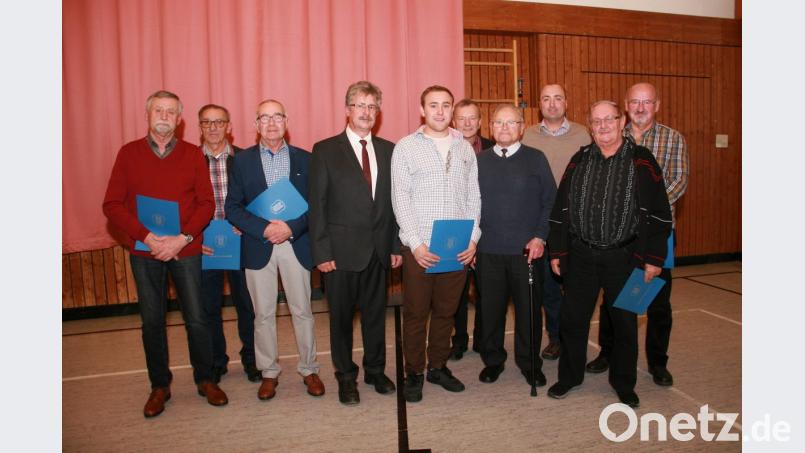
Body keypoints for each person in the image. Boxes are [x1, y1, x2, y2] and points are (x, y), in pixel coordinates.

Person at [103, 90, 228, 418]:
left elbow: (206, 203)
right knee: (152, 321)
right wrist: (147, 236)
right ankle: (159, 385)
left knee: (198, 318)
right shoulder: (128, 154)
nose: (164, 116)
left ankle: (205, 379)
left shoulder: (191, 155)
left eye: (171, 112)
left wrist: (182, 238)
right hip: (145, 252)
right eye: (159, 110)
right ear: (148, 114)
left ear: (179, 119)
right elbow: (112, 205)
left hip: (185, 249)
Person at [546, 100, 672, 408]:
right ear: (590, 126)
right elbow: (560, 210)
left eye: (609, 119)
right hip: (581, 257)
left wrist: (654, 259)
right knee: (573, 321)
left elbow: (660, 213)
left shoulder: (642, 161)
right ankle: (569, 377)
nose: (603, 126)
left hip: (625, 258)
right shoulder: (579, 160)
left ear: (621, 121)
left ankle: (623, 383)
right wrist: (557, 252)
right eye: (596, 121)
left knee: (624, 323)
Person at [585, 83, 689, 387]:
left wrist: (639, 211)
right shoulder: (614, 134)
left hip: (658, 234)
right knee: (613, 298)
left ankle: (658, 362)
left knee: (657, 300)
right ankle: (607, 352)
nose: (640, 108)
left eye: (647, 102)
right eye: (634, 102)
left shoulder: (673, 138)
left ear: (657, 105)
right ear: (625, 107)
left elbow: (678, 183)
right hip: (619, 238)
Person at [224, 99, 324, 401]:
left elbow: (317, 206)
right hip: (259, 245)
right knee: (263, 314)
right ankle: (268, 372)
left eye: (277, 117)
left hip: (296, 244)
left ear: (286, 121)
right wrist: (264, 228)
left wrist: (291, 228)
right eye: (264, 118)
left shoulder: (306, 160)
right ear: (256, 125)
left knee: (302, 311)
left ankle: (309, 368)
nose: (270, 123)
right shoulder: (241, 161)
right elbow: (233, 208)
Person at [309, 81, 402, 405]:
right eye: (360, 105)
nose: (366, 112)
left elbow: (392, 204)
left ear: (378, 113)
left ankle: (375, 370)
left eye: (372, 106)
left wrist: (393, 246)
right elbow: (317, 205)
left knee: (376, 317)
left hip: (378, 252)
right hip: (340, 255)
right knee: (341, 320)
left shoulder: (390, 150)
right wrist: (321, 252)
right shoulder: (325, 150)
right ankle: (346, 377)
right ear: (348, 110)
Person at [391, 85, 482, 403]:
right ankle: (414, 372)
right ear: (422, 110)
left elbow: (474, 197)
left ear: (452, 109)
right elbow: (400, 198)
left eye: (446, 105)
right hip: (420, 247)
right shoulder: (405, 147)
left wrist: (473, 239)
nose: (440, 111)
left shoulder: (464, 149)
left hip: (455, 245)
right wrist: (415, 244)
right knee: (416, 314)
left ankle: (438, 366)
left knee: (446, 311)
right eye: (433, 105)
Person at [475, 104, 556, 387]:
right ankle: (493, 361)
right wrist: (472, 242)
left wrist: (540, 236)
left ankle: (530, 363)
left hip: (527, 253)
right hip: (488, 252)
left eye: (511, 123)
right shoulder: (479, 161)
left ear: (522, 127)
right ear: (491, 127)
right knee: (491, 311)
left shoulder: (536, 159)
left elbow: (550, 202)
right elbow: (469, 206)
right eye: (499, 122)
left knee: (529, 313)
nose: (505, 128)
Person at [521, 84, 592, 361]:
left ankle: (574, 339)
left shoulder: (582, 134)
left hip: (574, 225)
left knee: (576, 288)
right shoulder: (527, 134)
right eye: (546, 99)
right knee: (549, 288)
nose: (552, 104)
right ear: (539, 104)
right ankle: (555, 338)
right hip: (540, 223)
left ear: (566, 102)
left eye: (558, 98)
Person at [197, 104, 260, 383]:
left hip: (241, 240)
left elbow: (258, 201)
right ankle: (216, 360)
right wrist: (193, 237)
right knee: (208, 307)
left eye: (219, 122)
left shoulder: (246, 159)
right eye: (207, 123)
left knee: (246, 304)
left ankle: (251, 359)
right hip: (204, 244)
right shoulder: (189, 160)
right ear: (199, 127)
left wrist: (245, 226)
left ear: (229, 127)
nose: (213, 128)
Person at [448, 99, 494, 361]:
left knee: (487, 290)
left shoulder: (493, 148)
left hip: (488, 230)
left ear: (479, 121)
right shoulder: (446, 148)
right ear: (454, 121)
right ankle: (459, 339)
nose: (467, 123)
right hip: (457, 230)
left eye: (472, 118)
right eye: (461, 118)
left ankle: (483, 338)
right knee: (457, 291)